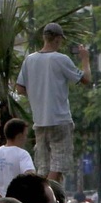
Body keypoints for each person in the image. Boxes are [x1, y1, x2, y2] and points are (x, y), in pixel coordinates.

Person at [13, 24, 89, 182]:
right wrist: (85, 59)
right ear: (58, 38)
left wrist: (37, 94)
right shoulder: (60, 59)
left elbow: (20, 88)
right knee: (59, 164)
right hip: (59, 119)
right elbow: (86, 79)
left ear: (44, 37)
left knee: (43, 166)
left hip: (39, 121)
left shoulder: (30, 60)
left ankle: (41, 194)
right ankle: (46, 195)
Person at [0, 119, 35, 195]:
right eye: (25, 135)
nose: (26, 139)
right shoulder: (22, 154)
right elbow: (31, 177)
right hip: (16, 200)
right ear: (19, 136)